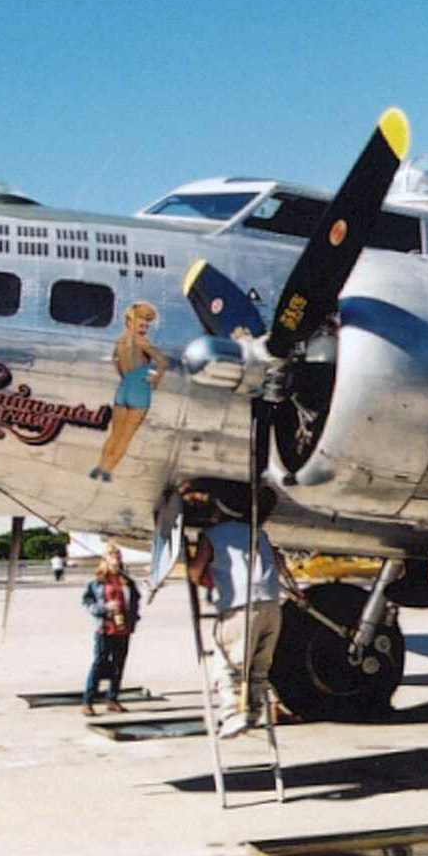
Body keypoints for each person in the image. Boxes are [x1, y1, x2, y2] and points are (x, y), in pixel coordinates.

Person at [186, 485, 282, 738]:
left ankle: (232, 713)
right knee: (259, 667)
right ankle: (254, 710)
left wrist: (199, 570)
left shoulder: (212, 534)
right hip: (271, 604)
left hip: (240, 605)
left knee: (227, 662)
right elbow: (278, 564)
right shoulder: (258, 533)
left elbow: (195, 572)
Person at [91, 301, 169, 482]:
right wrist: (155, 379)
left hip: (123, 387)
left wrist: (125, 377)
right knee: (126, 436)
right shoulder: (143, 342)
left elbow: (116, 362)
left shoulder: (119, 342)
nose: (146, 324)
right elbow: (162, 362)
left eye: (147, 321)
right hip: (139, 390)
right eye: (143, 320)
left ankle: (100, 466)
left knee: (115, 433)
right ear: (131, 321)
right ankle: (108, 471)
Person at [80, 545, 139, 716]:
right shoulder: (97, 581)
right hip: (105, 628)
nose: (116, 556)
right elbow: (87, 602)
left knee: (119, 665)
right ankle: (87, 701)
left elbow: (135, 600)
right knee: (99, 665)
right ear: (105, 558)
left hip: (123, 629)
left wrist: (133, 618)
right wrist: (103, 608)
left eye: (118, 554)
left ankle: (113, 699)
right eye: (112, 554)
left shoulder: (126, 580)